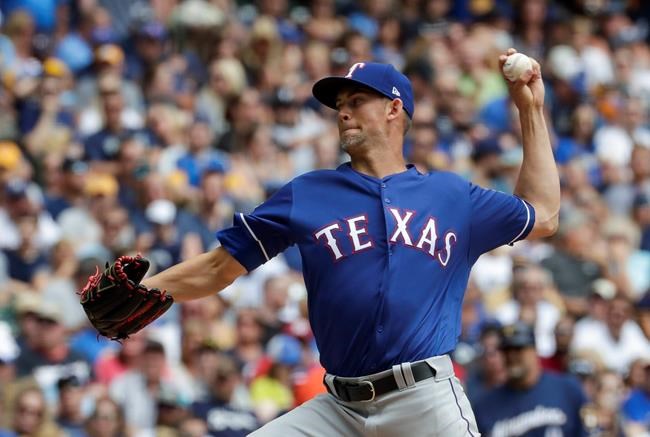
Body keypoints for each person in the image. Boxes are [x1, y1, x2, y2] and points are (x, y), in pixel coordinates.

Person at [137, 51, 560, 435]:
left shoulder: (451, 196)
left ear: (395, 109)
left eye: (357, 102)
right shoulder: (308, 193)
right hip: (339, 410)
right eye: (340, 106)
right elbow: (218, 267)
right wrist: (145, 292)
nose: (343, 113)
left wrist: (530, 109)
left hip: (424, 402)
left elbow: (542, 214)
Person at [472, 322, 588, 436]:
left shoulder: (567, 389)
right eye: (507, 351)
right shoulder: (484, 406)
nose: (512, 356)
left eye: (518, 349)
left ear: (535, 351)